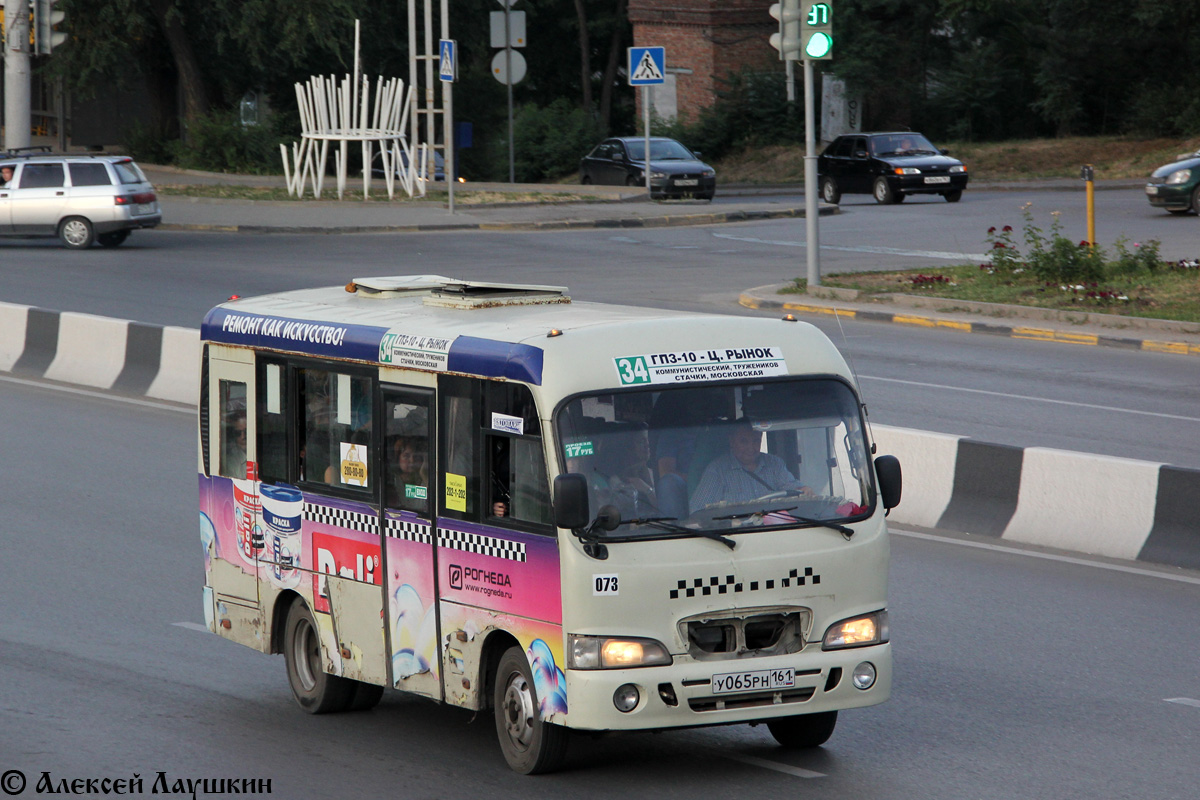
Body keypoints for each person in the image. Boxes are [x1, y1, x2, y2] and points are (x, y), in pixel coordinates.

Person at [689, 419, 810, 512]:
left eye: (756, 441)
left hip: (775, 530)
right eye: (744, 441)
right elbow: (698, 512)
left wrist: (804, 491)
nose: (751, 448)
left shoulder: (774, 464)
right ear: (732, 441)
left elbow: (794, 489)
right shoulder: (717, 470)